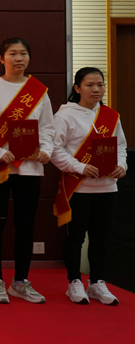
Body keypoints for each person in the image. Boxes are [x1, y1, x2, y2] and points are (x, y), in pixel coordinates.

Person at [0, 38, 54, 304]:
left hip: (29, 168)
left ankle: (20, 281)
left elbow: (48, 127)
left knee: (25, 225)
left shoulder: (38, 91)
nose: (19, 58)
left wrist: (46, 150)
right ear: (1, 59)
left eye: (23, 53)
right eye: (12, 53)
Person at [51, 67, 127, 305]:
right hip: (79, 187)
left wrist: (122, 165)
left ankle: (97, 283)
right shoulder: (65, 116)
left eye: (100, 85)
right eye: (90, 85)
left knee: (101, 237)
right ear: (77, 88)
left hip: (107, 187)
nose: (96, 89)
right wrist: (79, 167)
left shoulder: (110, 116)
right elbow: (54, 150)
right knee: (76, 237)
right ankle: (74, 282)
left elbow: (121, 146)